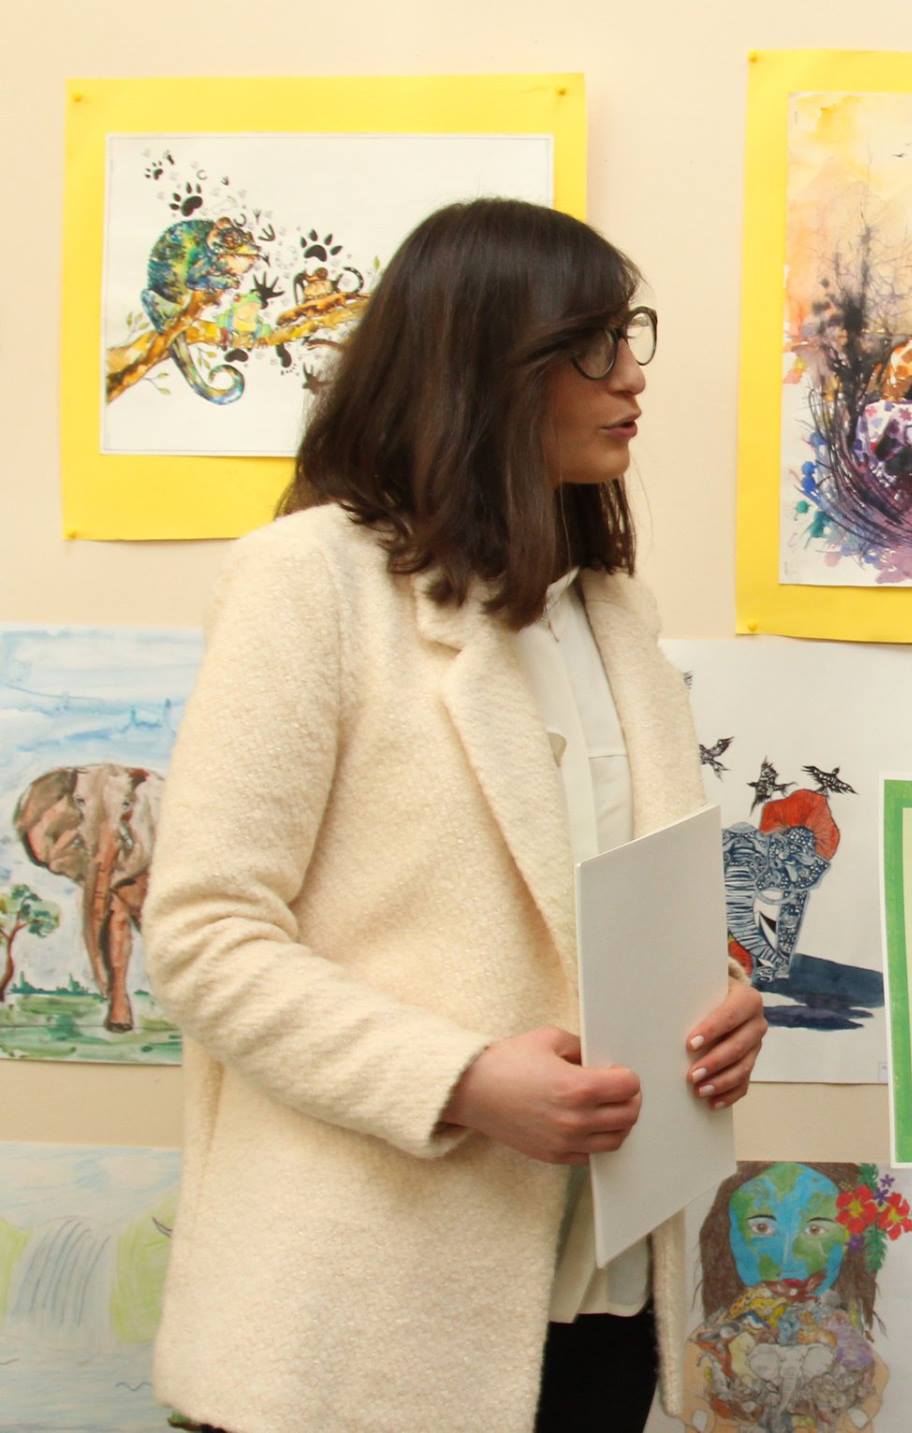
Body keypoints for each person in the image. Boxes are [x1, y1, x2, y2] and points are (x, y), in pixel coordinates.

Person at [142, 198, 767, 1433]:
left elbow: (611, 906)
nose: (633, 374)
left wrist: (721, 1000)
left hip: (602, 1295)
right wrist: (461, 1080)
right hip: (362, 1317)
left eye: (630, 335)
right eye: (594, 343)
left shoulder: (613, 615)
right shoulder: (307, 580)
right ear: (485, 363)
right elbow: (204, 936)